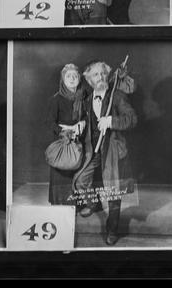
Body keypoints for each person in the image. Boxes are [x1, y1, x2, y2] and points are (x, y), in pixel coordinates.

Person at [73, 60, 137, 246]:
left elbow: (132, 119)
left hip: (112, 150)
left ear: (108, 75)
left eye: (102, 73)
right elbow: (85, 122)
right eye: (95, 75)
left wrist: (111, 121)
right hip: (92, 150)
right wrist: (80, 126)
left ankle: (112, 229)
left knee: (113, 190)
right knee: (80, 180)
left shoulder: (116, 96)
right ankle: (93, 204)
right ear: (89, 80)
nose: (100, 77)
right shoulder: (86, 100)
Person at [44, 64, 86, 205]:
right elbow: (49, 122)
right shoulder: (56, 99)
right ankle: (60, 206)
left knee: (77, 174)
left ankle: (75, 205)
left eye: (75, 76)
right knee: (61, 175)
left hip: (79, 142)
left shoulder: (83, 97)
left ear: (79, 78)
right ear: (63, 79)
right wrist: (64, 131)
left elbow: (87, 116)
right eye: (68, 76)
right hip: (62, 142)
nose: (72, 79)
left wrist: (82, 123)